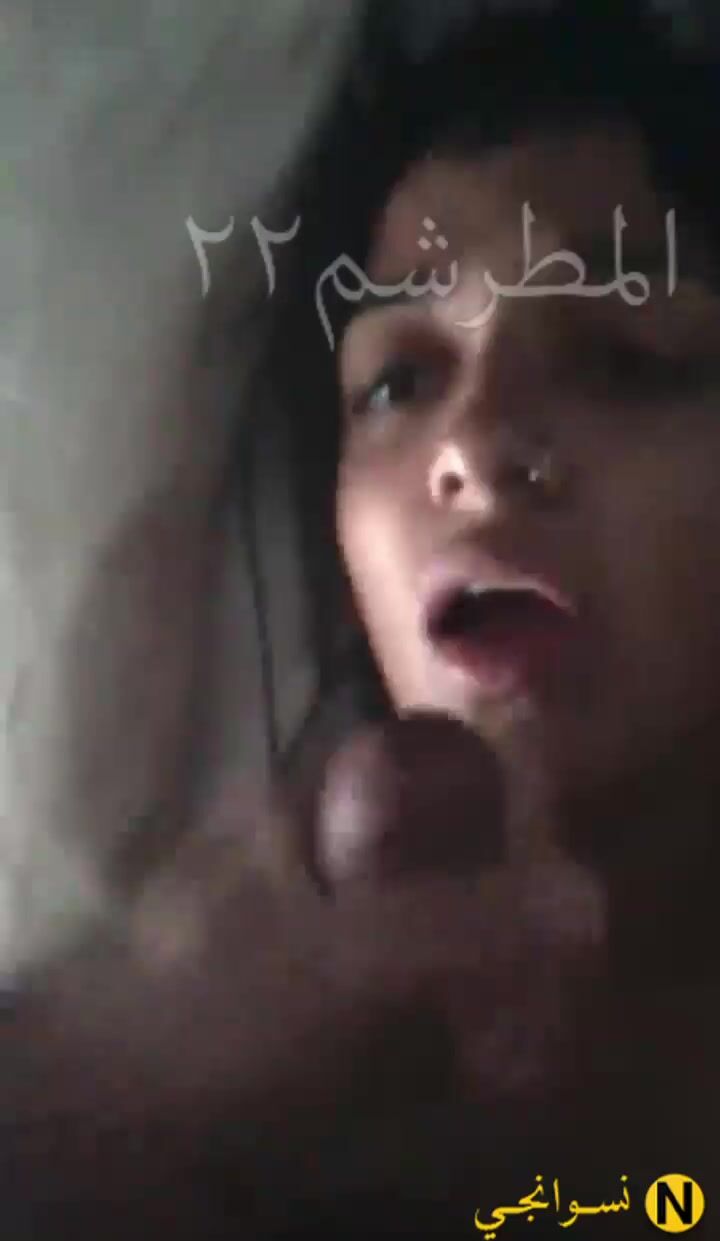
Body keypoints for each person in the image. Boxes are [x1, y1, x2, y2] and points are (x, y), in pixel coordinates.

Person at [4, 4, 720, 1237]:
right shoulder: (198, 1071)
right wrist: (86, 1089)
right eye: (399, 380)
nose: (473, 447)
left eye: (621, 355)